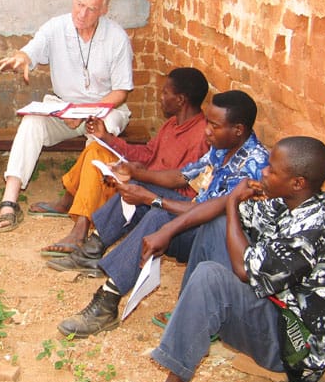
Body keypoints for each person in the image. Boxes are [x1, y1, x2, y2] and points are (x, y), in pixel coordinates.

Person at [146, 137, 325, 382]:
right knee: (217, 226)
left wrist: (232, 204)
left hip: (291, 347)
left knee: (211, 277)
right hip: (275, 306)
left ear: (297, 182)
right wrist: (168, 229)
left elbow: (243, 270)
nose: (264, 171)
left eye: (273, 170)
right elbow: (225, 213)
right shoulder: (295, 201)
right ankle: (188, 322)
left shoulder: (312, 231)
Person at [57, 90, 269, 337]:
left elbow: (210, 212)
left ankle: (107, 302)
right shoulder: (223, 147)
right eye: (208, 123)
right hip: (196, 220)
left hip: (217, 242)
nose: (207, 131)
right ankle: (93, 250)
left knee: (158, 215)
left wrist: (152, 200)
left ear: (239, 129)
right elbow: (180, 176)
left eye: (214, 125)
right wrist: (134, 173)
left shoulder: (254, 164)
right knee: (143, 191)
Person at [0, 0, 134, 232]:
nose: (82, 13)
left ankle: (81, 206)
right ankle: (9, 200)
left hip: (104, 110)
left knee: (100, 135)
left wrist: (87, 114)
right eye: (79, 4)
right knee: (32, 122)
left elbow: (121, 92)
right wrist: (22, 57)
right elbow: (32, 49)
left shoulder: (116, 37)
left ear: (103, 10)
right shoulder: (56, 27)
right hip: (65, 109)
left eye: (91, 8)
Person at [33, 67, 210, 253]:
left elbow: (180, 183)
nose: (161, 98)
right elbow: (148, 154)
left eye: (165, 93)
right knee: (95, 148)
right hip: (140, 180)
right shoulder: (171, 124)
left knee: (103, 168)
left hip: (151, 196)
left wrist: (134, 173)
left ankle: (79, 229)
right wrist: (107, 138)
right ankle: (70, 208)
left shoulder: (200, 136)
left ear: (181, 100)